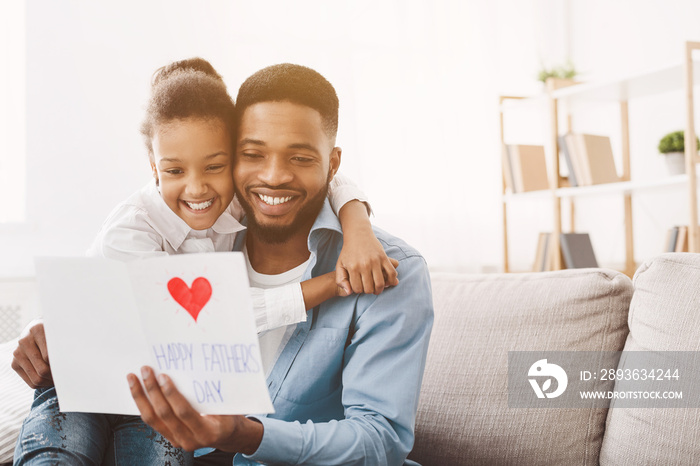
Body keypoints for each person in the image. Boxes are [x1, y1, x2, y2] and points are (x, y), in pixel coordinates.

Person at [11, 59, 398, 465]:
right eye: (175, 169)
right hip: (87, 382)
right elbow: (221, 317)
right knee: (54, 455)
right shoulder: (130, 232)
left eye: (214, 166)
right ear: (153, 165)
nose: (197, 187)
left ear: (230, 159)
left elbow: (316, 172)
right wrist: (330, 284)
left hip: (161, 389)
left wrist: (357, 224)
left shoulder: (238, 203)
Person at [128, 63, 434, 466]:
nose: (273, 177)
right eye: (253, 154)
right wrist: (54, 342)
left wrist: (248, 435)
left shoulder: (391, 270)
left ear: (333, 163)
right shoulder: (198, 238)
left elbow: (379, 441)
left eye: (301, 158)